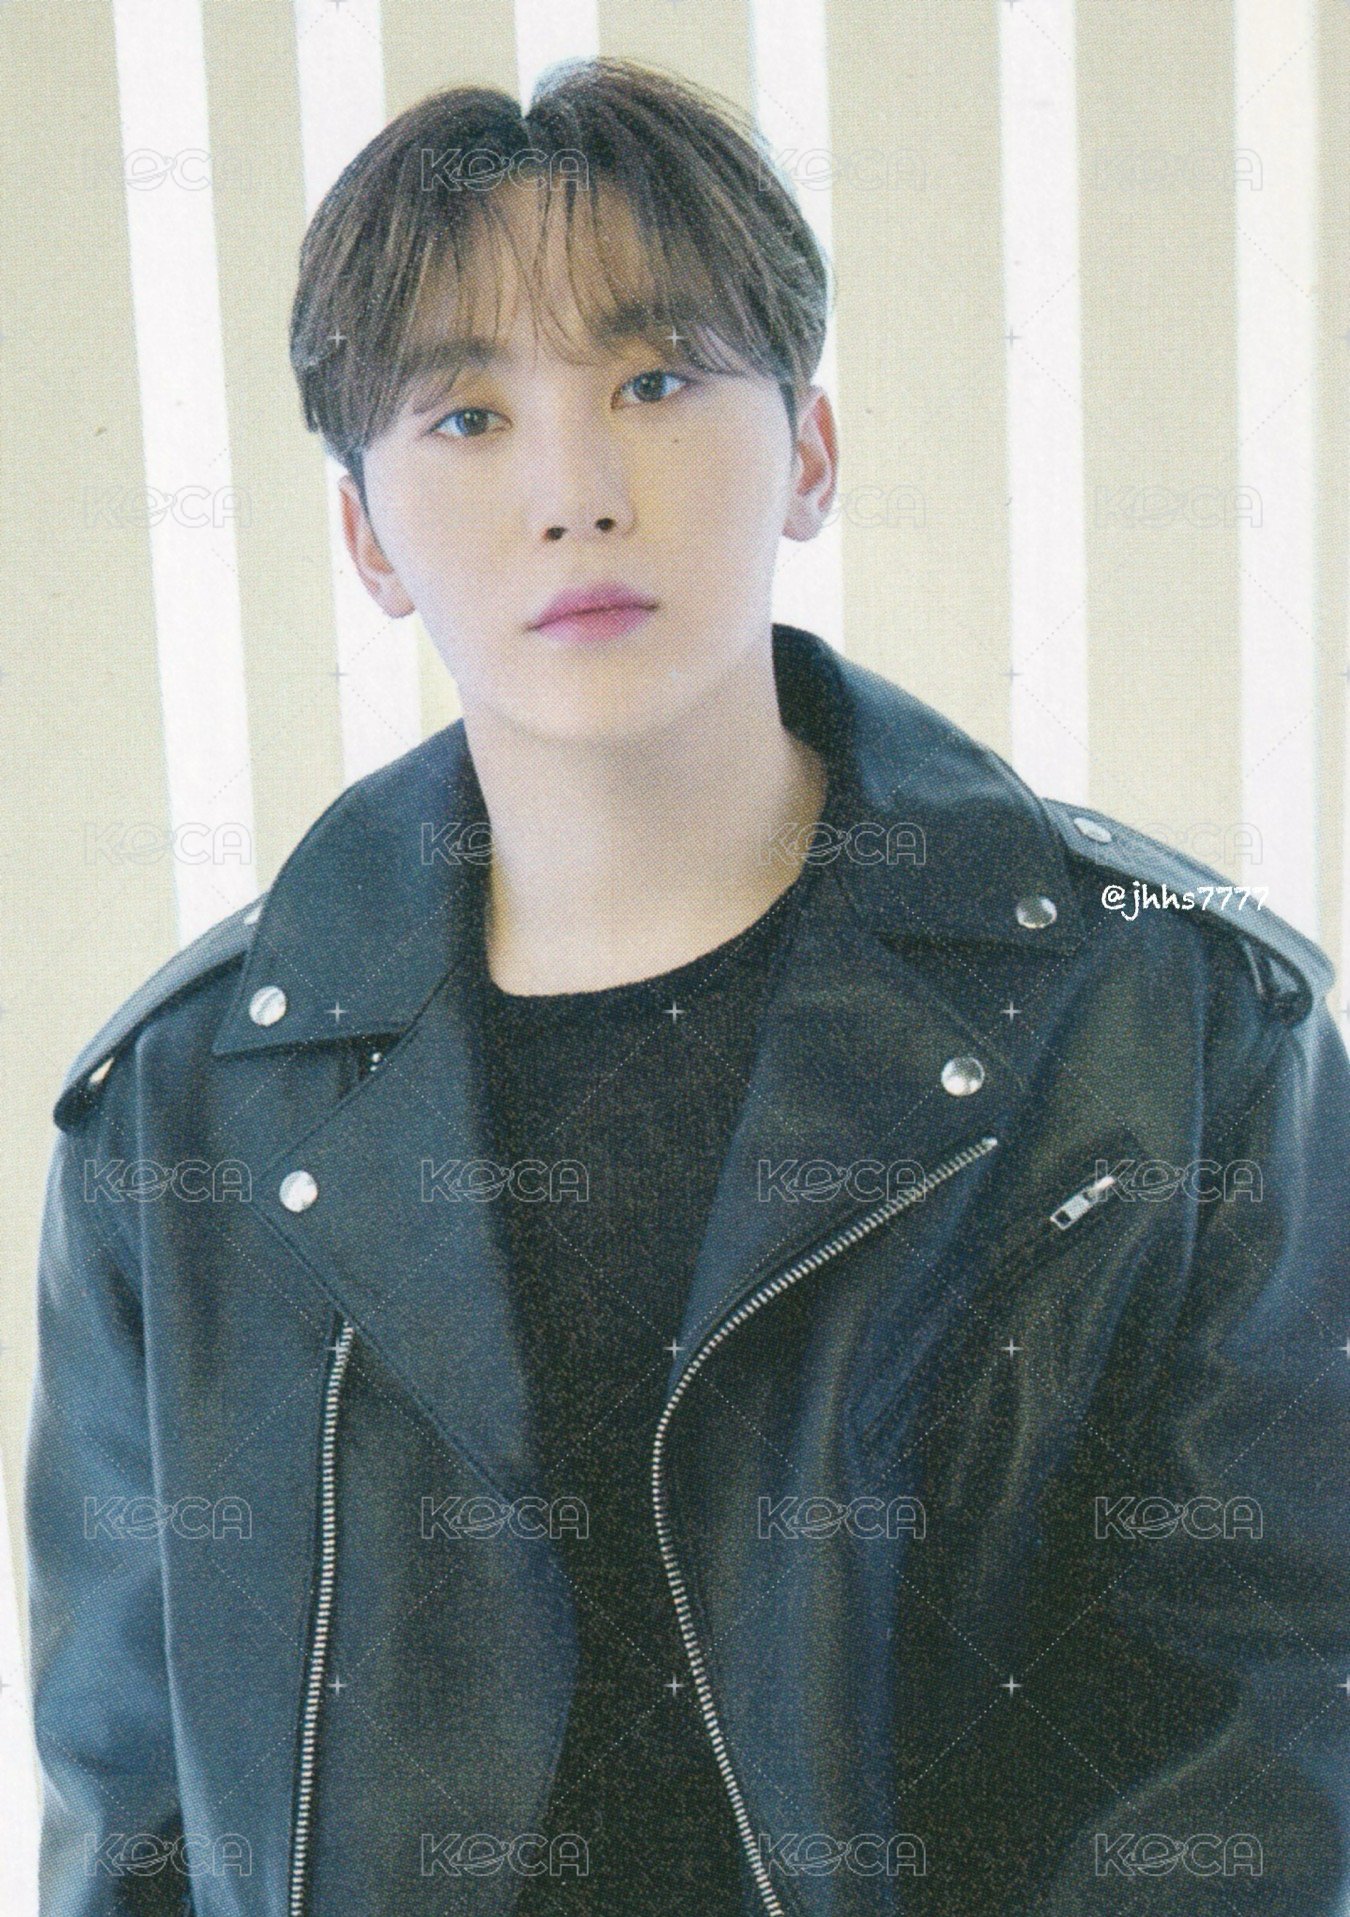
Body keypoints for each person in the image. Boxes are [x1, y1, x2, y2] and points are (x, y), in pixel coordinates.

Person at [25, 56, 1350, 1917]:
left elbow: (1270, 1750)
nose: (574, 492)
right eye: (466, 416)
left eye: (653, 382)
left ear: (806, 449)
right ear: (366, 537)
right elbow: (131, 1816)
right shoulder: (180, 1120)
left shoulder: (1172, 1023)